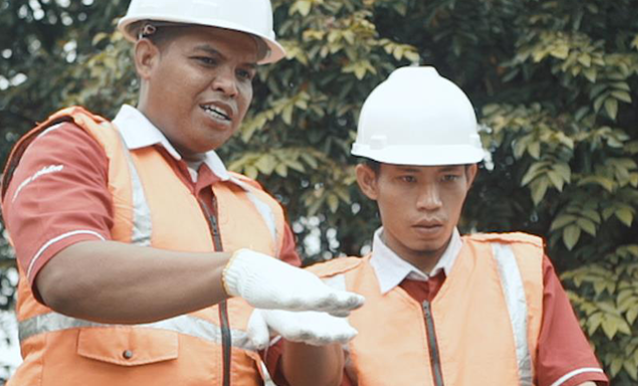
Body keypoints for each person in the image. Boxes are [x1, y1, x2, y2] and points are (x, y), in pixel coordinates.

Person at [0, 1, 365, 385]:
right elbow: (65, 273)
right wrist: (234, 272)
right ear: (146, 58)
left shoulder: (260, 210)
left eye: (244, 73)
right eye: (207, 61)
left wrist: (309, 327)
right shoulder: (78, 147)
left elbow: (312, 382)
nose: (229, 85)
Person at [308, 66, 610, 386]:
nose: (430, 200)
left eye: (448, 177)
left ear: (470, 177)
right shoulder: (326, 295)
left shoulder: (521, 271)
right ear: (369, 182)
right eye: (408, 178)